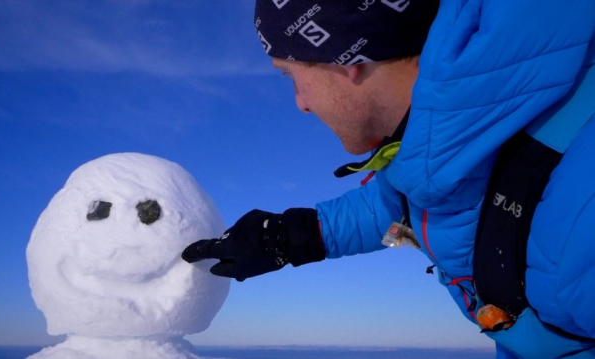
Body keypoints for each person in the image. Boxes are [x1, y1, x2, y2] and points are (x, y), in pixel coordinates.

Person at [183, 1, 595, 358]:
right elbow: (416, 200)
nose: (301, 104)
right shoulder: (450, 137)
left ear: (344, 61)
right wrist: (297, 235)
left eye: (290, 76)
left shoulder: (580, 218)